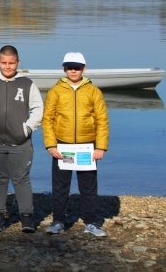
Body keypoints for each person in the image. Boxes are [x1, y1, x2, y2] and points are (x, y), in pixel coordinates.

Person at [0, 45, 43, 233]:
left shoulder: (27, 84)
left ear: (18, 63)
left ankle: (27, 217)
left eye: (11, 63)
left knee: (21, 179)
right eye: (4, 63)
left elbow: (38, 110)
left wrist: (26, 129)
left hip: (21, 143)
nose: (8, 67)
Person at [42, 52, 109, 237]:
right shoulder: (55, 91)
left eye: (77, 67)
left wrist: (100, 147)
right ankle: (58, 222)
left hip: (87, 147)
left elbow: (102, 120)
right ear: (64, 68)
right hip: (62, 147)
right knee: (60, 186)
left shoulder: (94, 91)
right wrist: (50, 145)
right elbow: (47, 119)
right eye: (70, 67)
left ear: (84, 69)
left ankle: (91, 222)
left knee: (88, 186)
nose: (73, 70)